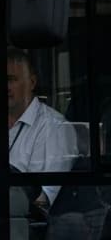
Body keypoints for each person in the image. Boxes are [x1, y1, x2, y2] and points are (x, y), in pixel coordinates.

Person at [5, 47, 78, 209]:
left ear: (32, 82)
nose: (5, 87)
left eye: (11, 80)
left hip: (21, 219)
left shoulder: (54, 128)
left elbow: (41, 201)